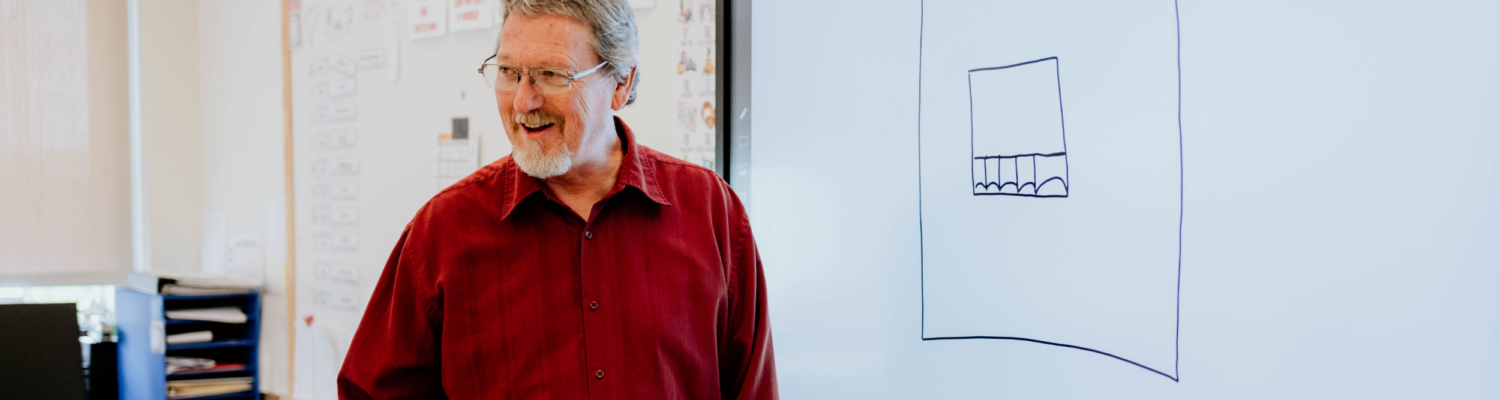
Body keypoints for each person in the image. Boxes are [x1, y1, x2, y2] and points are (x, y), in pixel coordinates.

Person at [336, 0, 777, 399]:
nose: (524, 101)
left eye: (552, 75)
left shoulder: (711, 213)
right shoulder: (443, 231)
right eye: (508, 72)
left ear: (621, 83)